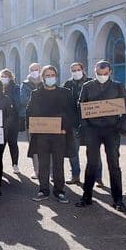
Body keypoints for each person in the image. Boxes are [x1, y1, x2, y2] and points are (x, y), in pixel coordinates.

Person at [77, 60, 126, 212]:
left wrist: (120, 125)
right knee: (91, 164)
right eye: (99, 74)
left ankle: (118, 200)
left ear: (110, 72)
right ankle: (86, 197)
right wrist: (85, 125)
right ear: (95, 72)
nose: (102, 76)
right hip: (93, 130)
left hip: (111, 130)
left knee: (113, 164)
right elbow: (80, 105)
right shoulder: (87, 86)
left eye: (105, 74)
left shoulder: (118, 86)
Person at [27, 66, 74, 204]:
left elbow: (71, 112)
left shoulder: (65, 92)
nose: (50, 77)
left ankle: (59, 191)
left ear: (56, 76)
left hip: (59, 134)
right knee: (43, 164)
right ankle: (43, 190)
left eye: (52, 75)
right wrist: (33, 127)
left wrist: (65, 128)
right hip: (42, 135)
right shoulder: (36, 94)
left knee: (59, 164)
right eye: (47, 75)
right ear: (43, 78)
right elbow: (30, 112)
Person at [63, 62, 101, 186]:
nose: (76, 72)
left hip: (91, 124)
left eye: (78, 69)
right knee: (73, 151)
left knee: (94, 152)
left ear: (83, 70)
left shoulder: (92, 83)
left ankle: (98, 177)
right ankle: (75, 175)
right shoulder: (67, 85)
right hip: (74, 124)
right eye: (73, 70)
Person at [19, 62, 43, 179]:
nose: (35, 71)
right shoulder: (25, 84)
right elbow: (23, 100)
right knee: (34, 146)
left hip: (46, 119)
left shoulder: (46, 82)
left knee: (49, 145)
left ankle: (51, 172)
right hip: (31, 118)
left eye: (37, 69)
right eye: (32, 69)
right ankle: (37, 170)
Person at [0, 69, 21, 174]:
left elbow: (17, 103)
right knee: (0, 143)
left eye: (6, 76)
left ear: (11, 77)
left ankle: (15, 164)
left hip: (12, 119)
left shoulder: (16, 88)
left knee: (13, 143)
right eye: (2, 76)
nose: (4, 78)